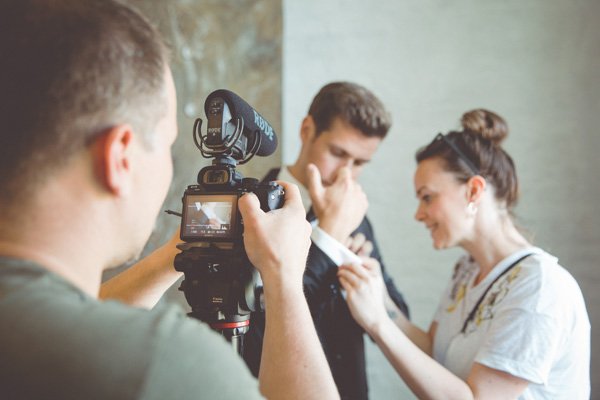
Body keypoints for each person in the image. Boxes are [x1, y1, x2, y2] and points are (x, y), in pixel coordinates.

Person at [0, 1, 340, 399]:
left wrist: (190, 242)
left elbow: (72, 317)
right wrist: (283, 277)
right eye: (167, 145)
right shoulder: (160, 360)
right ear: (120, 157)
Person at [337, 109, 591, 399]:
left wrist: (378, 324)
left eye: (427, 197)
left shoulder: (539, 288)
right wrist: (379, 297)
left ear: (473, 191)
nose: (418, 214)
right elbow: (434, 352)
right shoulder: (466, 271)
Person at [243, 82, 409, 400]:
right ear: (307, 130)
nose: (346, 176)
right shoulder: (253, 209)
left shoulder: (358, 219)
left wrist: (369, 283)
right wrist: (329, 238)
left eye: (360, 163)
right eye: (338, 153)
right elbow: (258, 329)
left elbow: (397, 318)